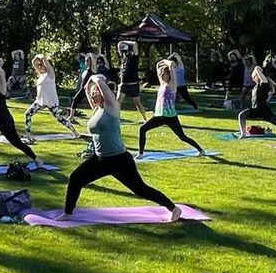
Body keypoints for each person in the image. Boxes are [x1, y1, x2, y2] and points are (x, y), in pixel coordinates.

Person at [57, 74, 183, 221]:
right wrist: (90, 82)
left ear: (103, 93)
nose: (92, 95)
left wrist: (98, 79)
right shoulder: (96, 109)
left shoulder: (112, 107)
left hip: (119, 160)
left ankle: (174, 209)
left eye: (95, 92)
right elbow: (86, 88)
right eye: (91, 94)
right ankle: (68, 213)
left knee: (140, 189)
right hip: (100, 159)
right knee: (76, 178)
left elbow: (103, 88)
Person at [138, 60, 206, 156]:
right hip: (159, 116)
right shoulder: (162, 84)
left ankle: (201, 150)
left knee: (182, 137)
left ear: (169, 74)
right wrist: (161, 62)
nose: (161, 75)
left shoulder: (172, 85)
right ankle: (140, 154)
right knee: (142, 129)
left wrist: (166, 61)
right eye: (161, 74)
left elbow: (171, 66)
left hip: (170, 117)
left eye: (163, 73)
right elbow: (158, 66)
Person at [24, 54, 76, 135]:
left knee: (59, 118)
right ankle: (28, 134)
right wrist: (37, 57)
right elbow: (33, 62)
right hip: (40, 101)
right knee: (28, 113)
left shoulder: (51, 75)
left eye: (42, 65)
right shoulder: (41, 74)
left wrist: (43, 58)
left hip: (51, 102)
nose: (40, 67)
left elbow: (46, 63)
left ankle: (74, 131)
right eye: (40, 65)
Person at [237, 65, 276, 136]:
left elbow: (263, 79)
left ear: (257, 76)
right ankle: (243, 133)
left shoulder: (263, 85)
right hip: (258, 109)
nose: (252, 79)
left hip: (261, 109)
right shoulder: (256, 87)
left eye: (253, 77)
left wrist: (257, 69)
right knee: (242, 115)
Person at [117, 42, 148, 122]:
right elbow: (119, 45)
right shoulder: (124, 58)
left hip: (133, 84)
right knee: (117, 102)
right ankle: (116, 118)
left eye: (126, 51)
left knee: (138, 103)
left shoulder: (134, 57)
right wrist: (121, 43)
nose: (125, 52)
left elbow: (134, 44)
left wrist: (126, 42)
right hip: (124, 84)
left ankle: (145, 118)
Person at [69, 53, 98, 118]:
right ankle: (71, 116)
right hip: (82, 89)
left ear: (91, 62)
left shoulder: (92, 71)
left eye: (88, 61)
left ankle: (96, 116)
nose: (87, 62)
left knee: (93, 104)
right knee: (75, 100)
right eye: (86, 60)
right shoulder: (86, 70)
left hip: (87, 89)